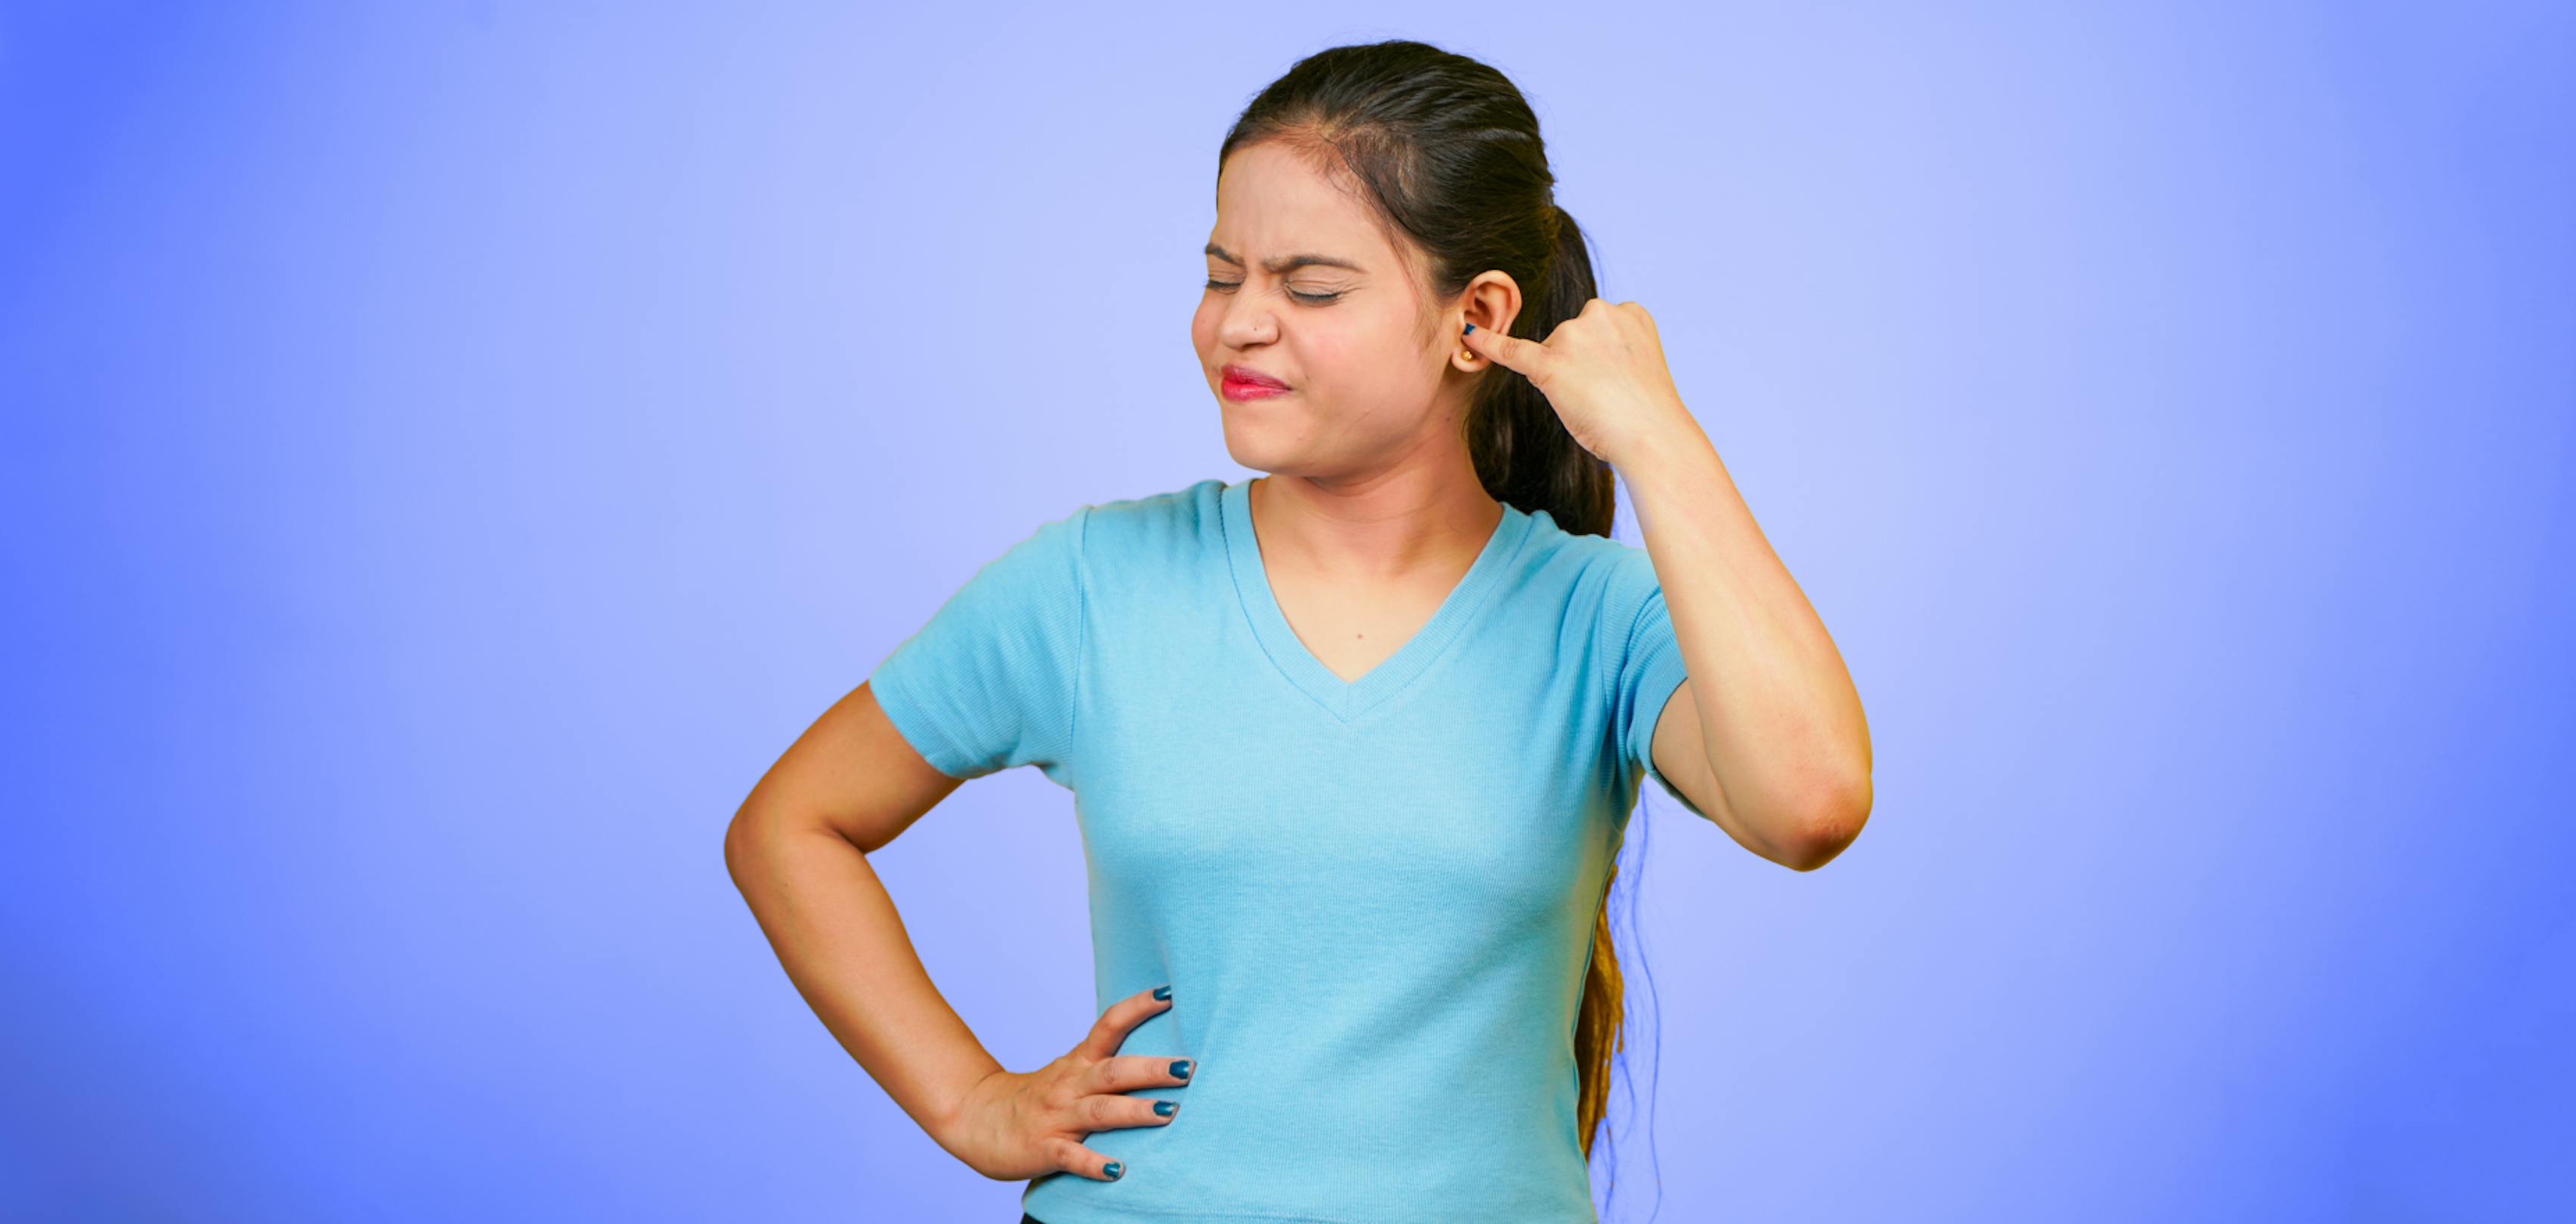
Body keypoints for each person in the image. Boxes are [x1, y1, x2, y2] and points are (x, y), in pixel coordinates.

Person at [725, 38, 1874, 1224]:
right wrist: (969, 1100)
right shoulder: (1094, 585)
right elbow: (790, 825)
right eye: (1223, 275)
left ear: (1475, 319)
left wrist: (1655, 435)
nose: (1238, 326)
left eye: (1308, 287)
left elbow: (1810, 803)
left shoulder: (1599, 620)